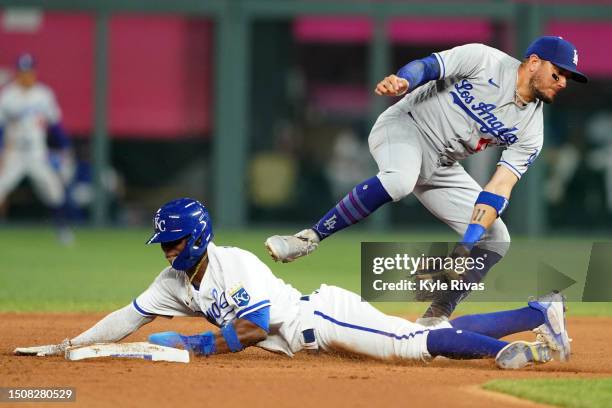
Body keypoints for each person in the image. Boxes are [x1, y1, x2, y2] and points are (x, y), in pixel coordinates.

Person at [14, 198, 571, 370]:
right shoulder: (173, 281)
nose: (168, 251)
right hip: (308, 332)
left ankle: (510, 351)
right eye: (164, 244)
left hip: (318, 317)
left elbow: (255, 328)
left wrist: (198, 344)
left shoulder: (235, 265)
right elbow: (129, 316)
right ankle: (536, 311)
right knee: (430, 332)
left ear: (200, 238)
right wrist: (76, 343)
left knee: (413, 346)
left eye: (175, 243)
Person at [265, 36, 588, 324]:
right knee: (400, 181)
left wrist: (466, 244)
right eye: (557, 73)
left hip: (441, 164)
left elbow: (498, 187)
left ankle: (435, 317)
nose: (562, 82)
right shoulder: (484, 59)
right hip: (405, 127)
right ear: (533, 63)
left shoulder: (531, 130)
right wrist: (404, 81)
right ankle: (307, 239)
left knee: (496, 238)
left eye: (567, 78)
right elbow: (428, 66)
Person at [0, 53, 73, 243]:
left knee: (54, 189)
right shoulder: (7, 96)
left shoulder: (44, 94)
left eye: (30, 71)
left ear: (34, 72)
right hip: (13, 153)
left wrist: (65, 147)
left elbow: (55, 125)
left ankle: (62, 230)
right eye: (23, 71)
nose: (27, 75)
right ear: (17, 73)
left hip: (36, 152)